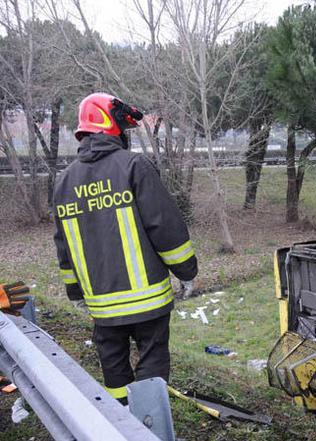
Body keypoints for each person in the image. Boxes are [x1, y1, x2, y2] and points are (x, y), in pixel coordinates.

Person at [53, 92, 198, 402]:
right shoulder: (134, 166)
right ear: (111, 125)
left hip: (102, 305)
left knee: (114, 367)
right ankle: (149, 424)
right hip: (147, 299)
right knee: (153, 358)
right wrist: (186, 271)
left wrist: (76, 293)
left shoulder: (64, 182)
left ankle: (119, 423)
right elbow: (164, 225)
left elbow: (64, 248)